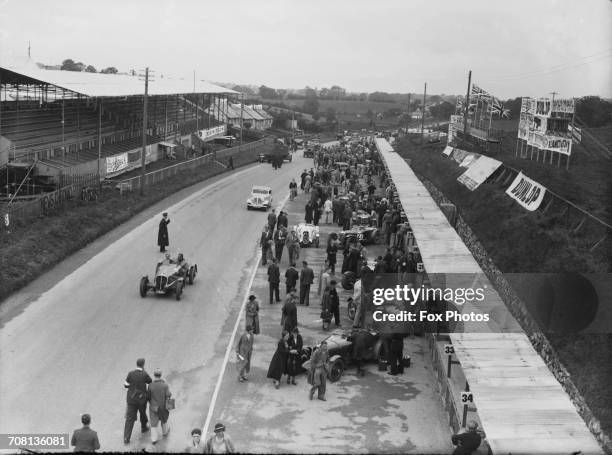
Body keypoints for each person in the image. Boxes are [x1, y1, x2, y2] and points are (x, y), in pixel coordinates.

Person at [123, 358, 152, 444]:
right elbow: (150, 381)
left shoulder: (130, 373)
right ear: (143, 365)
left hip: (131, 399)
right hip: (141, 399)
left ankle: (126, 438)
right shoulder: (144, 374)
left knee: (129, 418)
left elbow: (126, 385)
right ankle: (144, 427)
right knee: (142, 413)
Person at [148, 368, 172, 444]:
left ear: (154, 375)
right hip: (163, 406)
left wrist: (151, 403)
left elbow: (148, 396)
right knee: (164, 419)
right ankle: (165, 432)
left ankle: (154, 439)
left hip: (154, 407)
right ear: (161, 375)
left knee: (153, 423)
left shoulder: (150, 385)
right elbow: (168, 395)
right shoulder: (165, 385)